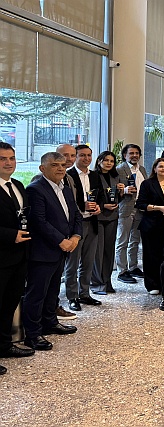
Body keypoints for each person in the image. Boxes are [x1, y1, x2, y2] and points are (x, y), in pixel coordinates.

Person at [23, 152, 80, 351]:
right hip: (43, 250)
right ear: (42, 168)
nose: (60, 169)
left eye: (63, 165)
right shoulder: (35, 189)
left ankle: (50, 322)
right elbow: (38, 221)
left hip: (62, 249)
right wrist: (61, 241)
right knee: (36, 293)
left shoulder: (65, 189)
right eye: (55, 165)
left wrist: (75, 237)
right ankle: (32, 334)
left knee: (53, 290)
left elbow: (75, 214)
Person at [0, 142, 34, 371]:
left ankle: (4, 346)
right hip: (1, 256)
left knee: (9, 304)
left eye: (11, 158)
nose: (8, 163)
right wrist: (11, 235)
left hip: (19, 257)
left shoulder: (18, 185)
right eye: (3, 159)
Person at [64, 144, 104, 311]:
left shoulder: (95, 175)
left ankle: (84, 293)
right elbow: (68, 200)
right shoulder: (68, 175)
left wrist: (99, 206)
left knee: (88, 262)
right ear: (75, 157)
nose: (86, 158)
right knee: (72, 263)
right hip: (76, 225)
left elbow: (100, 195)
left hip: (92, 222)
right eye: (82, 155)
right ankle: (72, 296)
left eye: (89, 155)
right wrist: (83, 206)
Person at [135, 157, 164, 294]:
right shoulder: (147, 184)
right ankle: (152, 284)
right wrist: (158, 208)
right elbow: (140, 204)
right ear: (155, 169)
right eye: (161, 167)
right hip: (151, 225)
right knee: (151, 255)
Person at [91, 151, 123, 295]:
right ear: (99, 161)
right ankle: (97, 284)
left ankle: (107, 281)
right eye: (106, 160)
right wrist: (103, 206)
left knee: (109, 251)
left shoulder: (115, 176)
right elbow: (90, 196)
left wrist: (121, 192)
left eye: (112, 161)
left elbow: (117, 199)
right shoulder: (93, 176)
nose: (109, 163)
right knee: (98, 252)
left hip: (112, 217)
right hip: (98, 217)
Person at [115, 143, 146, 284]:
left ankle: (133, 267)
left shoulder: (142, 169)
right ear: (125, 155)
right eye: (131, 153)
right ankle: (122, 271)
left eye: (136, 153)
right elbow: (112, 189)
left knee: (135, 240)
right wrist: (124, 190)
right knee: (122, 241)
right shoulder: (119, 169)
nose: (134, 155)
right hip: (125, 208)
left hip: (140, 209)